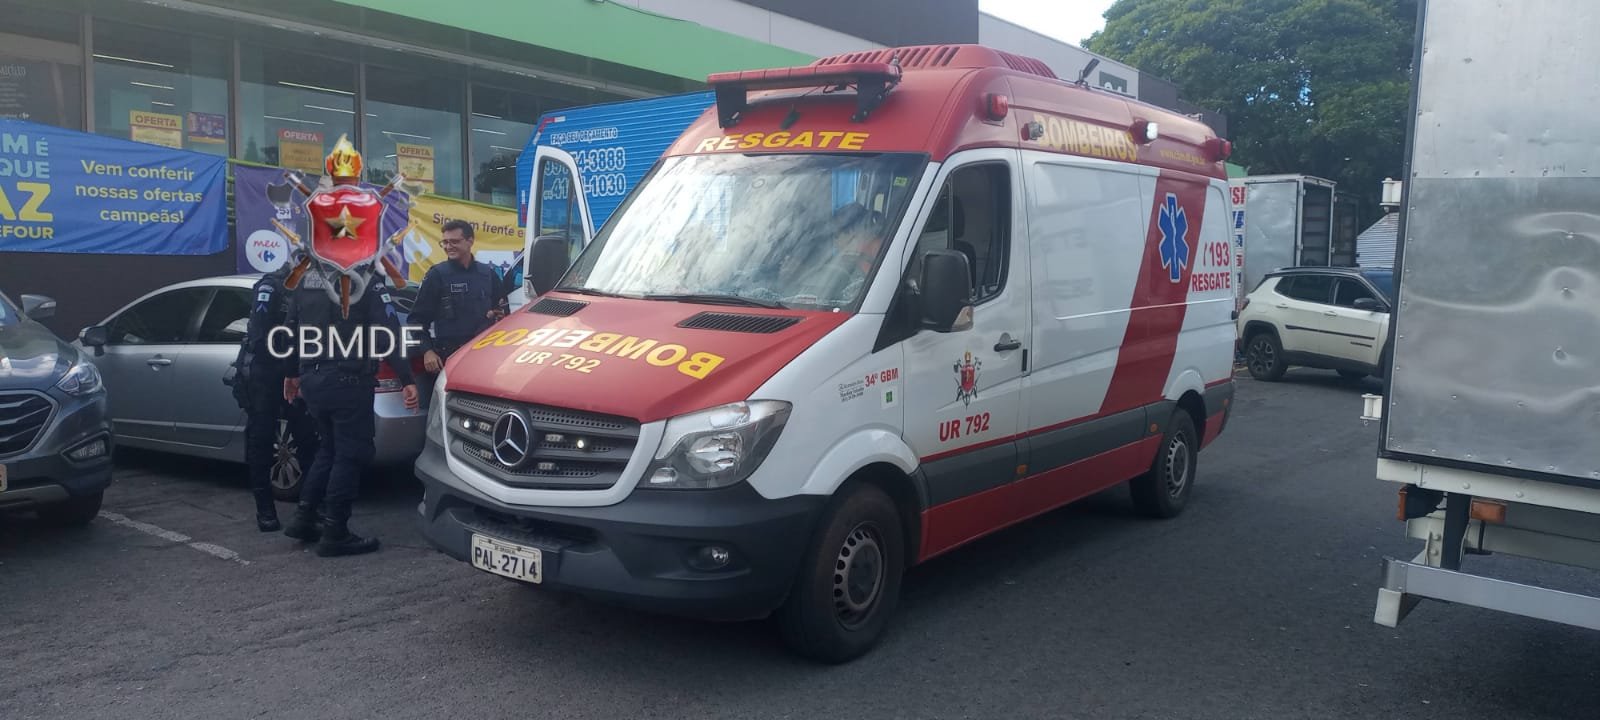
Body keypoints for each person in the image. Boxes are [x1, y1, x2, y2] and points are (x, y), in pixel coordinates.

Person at [280, 276, 419, 557]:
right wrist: (406, 378)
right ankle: (335, 532)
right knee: (350, 454)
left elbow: (290, 329)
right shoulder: (364, 278)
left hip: (313, 378)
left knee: (329, 450)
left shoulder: (307, 279)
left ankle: (305, 517)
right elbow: (387, 331)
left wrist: (291, 373)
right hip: (348, 380)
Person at [231, 263, 320, 532]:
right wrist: (286, 368)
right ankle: (265, 510)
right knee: (261, 441)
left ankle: (311, 509)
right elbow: (260, 335)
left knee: (307, 440)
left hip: (296, 372)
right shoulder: (272, 286)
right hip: (266, 374)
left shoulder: (313, 287)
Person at [409, 219, 511, 373]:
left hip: (484, 355)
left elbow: (504, 314)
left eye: (454, 241)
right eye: (445, 242)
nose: (449, 246)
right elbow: (416, 320)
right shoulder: (437, 275)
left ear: (470, 241)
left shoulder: (488, 274)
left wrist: (497, 316)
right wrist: (427, 351)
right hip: (450, 356)